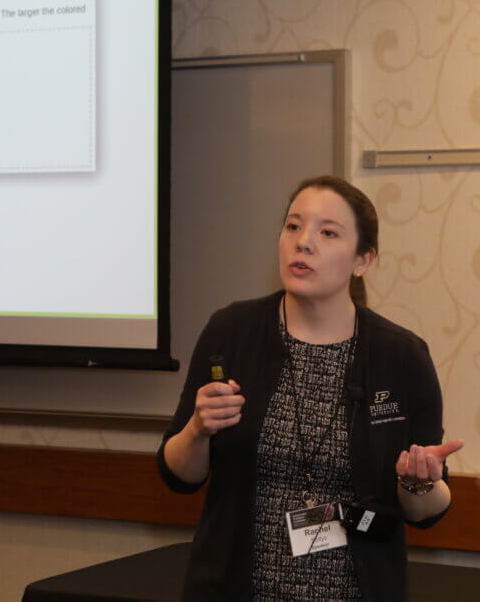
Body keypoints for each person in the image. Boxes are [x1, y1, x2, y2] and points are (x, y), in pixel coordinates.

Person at [157, 175, 463, 601]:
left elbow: (427, 512)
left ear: (363, 260)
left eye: (328, 232)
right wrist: (198, 429)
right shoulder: (231, 332)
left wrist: (419, 482)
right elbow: (178, 475)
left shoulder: (401, 356)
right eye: (293, 226)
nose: (303, 242)